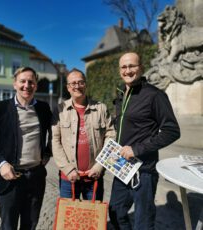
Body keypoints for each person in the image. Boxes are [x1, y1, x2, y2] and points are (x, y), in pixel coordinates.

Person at [109, 52, 180, 230]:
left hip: (144, 171)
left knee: (143, 223)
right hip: (121, 168)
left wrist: (137, 149)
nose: (128, 70)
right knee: (115, 212)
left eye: (132, 66)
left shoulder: (154, 95)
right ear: (119, 70)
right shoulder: (120, 95)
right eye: (124, 67)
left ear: (141, 67)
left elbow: (172, 131)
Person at [0, 67, 52, 230]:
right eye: (23, 81)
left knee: (30, 224)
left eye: (31, 82)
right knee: (8, 225)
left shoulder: (43, 108)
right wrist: (1, 164)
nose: (27, 85)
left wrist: (47, 152)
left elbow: (55, 133)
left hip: (35, 177)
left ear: (36, 85)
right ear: (14, 84)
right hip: (10, 177)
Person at [52, 68, 115, 200]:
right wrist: (68, 169)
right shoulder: (59, 110)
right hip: (68, 178)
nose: (77, 86)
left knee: (92, 219)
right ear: (68, 87)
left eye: (80, 82)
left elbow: (111, 137)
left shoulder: (101, 108)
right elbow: (55, 141)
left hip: (94, 176)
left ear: (85, 84)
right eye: (73, 83)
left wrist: (100, 166)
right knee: (69, 219)